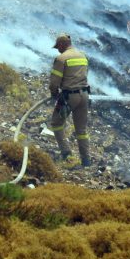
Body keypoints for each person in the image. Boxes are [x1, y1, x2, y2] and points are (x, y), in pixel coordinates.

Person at [49, 33, 92, 168]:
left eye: (58, 47)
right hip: (84, 96)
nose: (58, 50)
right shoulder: (83, 56)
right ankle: (86, 161)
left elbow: (54, 82)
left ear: (62, 45)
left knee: (56, 122)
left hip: (68, 97)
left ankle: (66, 154)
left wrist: (54, 94)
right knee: (81, 130)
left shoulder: (62, 59)